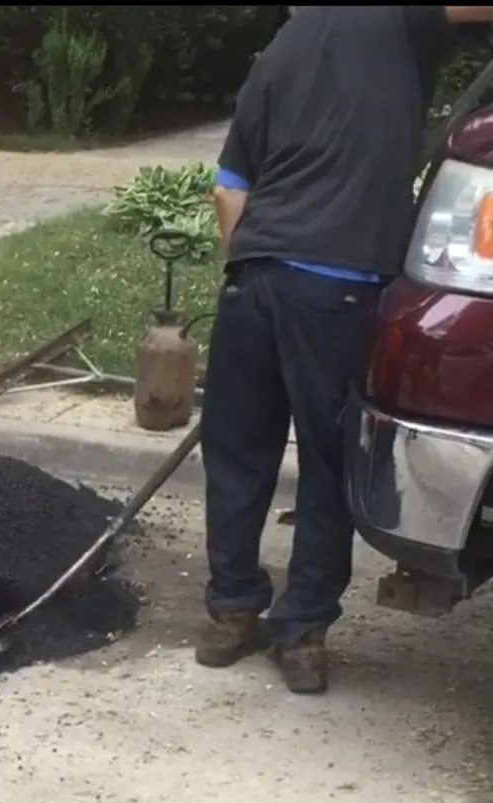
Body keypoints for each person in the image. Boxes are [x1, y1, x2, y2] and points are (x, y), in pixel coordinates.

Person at [197, 7, 493, 693]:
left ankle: (233, 608)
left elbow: (228, 186)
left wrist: (248, 270)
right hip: (341, 286)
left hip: (255, 278)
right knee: (329, 462)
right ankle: (300, 631)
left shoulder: (276, 52)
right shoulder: (397, 18)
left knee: (238, 450)